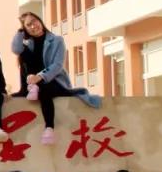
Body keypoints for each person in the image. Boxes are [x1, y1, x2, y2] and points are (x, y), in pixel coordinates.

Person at [11, 11, 102, 145]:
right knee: (23, 54)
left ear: (40, 21)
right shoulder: (28, 44)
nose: (33, 26)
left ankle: (49, 128)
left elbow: (57, 65)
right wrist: (20, 31)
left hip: (53, 82)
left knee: (44, 88)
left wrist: (40, 77)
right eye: (28, 25)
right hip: (31, 85)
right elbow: (16, 49)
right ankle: (31, 88)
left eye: (34, 21)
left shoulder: (56, 40)